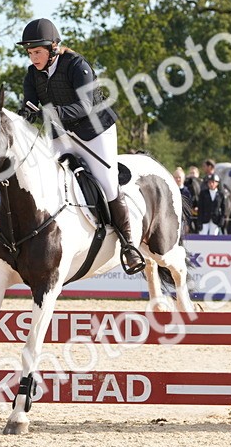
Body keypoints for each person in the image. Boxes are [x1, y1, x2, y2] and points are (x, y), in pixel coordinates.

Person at [19, 17, 144, 274]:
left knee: (107, 183)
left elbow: (85, 106)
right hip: (61, 133)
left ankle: (129, 245)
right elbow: (30, 105)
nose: (33, 58)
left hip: (94, 130)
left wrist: (51, 113)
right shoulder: (32, 74)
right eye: (30, 53)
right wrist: (27, 114)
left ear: (53, 47)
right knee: (44, 175)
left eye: (38, 52)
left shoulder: (77, 66)